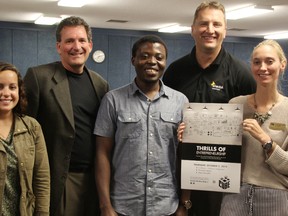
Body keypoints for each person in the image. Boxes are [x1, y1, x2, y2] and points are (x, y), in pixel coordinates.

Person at [162, 1, 256, 216]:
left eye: (217, 24)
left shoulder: (241, 74)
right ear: (193, 29)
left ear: (225, 30)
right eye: (204, 24)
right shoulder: (175, 71)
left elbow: (254, 125)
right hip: (181, 171)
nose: (210, 30)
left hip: (224, 176)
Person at [94, 35, 189, 216]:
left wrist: (184, 203)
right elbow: (102, 153)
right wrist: (105, 206)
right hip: (123, 206)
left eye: (159, 57)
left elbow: (185, 155)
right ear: (133, 60)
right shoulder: (113, 100)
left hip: (166, 205)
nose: (152, 61)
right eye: (144, 56)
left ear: (165, 61)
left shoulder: (180, 102)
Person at [24, 16, 109, 216]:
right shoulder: (39, 77)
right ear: (58, 46)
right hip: (58, 178)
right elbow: (23, 130)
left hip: (94, 179)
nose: (76, 46)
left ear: (90, 45)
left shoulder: (100, 84)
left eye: (81, 40)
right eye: (69, 41)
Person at [219, 40, 288, 216]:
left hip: (275, 197)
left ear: (282, 65)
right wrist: (193, 137)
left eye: (269, 61)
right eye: (257, 62)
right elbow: (220, 149)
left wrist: (266, 140)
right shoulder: (236, 105)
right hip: (234, 192)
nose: (262, 68)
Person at [0, 62, 50, 215]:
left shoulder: (32, 127)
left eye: (12, 87)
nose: (6, 93)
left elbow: (41, 180)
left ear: (19, 91)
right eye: (0, 86)